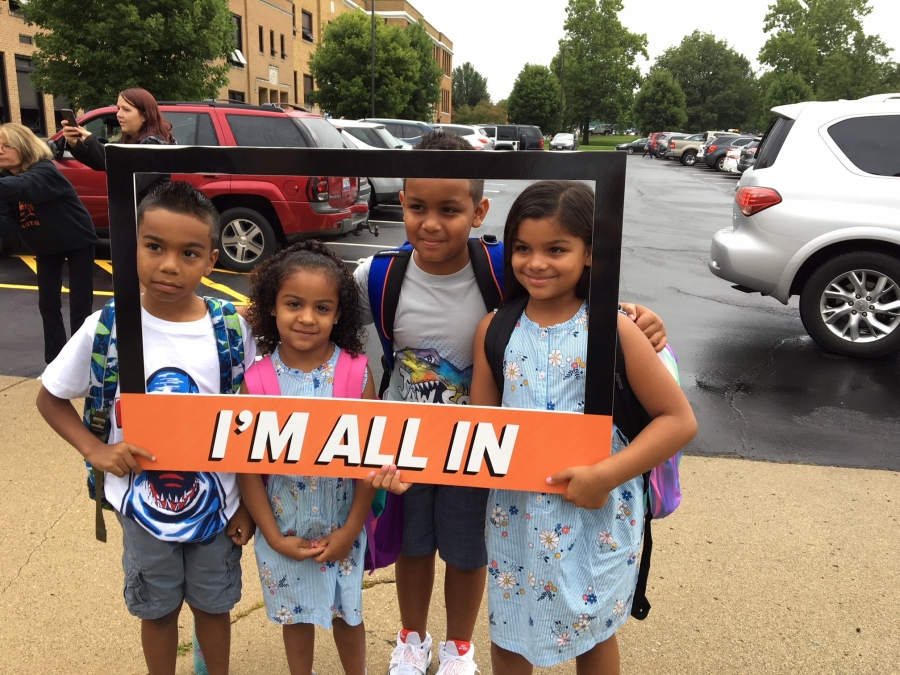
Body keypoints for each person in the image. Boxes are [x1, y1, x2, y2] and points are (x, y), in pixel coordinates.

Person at [356, 130, 669, 675]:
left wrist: (636, 314)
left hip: (494, 461)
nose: (431, 223)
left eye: (449, 209)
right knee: (414, 547)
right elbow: (319, 330)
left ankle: (457, 647)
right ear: (399, 202)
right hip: (412, 445)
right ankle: (411, 638)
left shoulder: (502, 269)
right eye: (417, 206)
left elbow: (570, 282)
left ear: (478, 212)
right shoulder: (378, 277)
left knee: (470, 552)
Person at [469, 181, 697, 673]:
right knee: (509, 628)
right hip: (515, 517)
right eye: (523, 249)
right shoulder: (494, 330)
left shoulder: (613, 328)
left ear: (590, 252)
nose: (536, 262)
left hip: (595, 511)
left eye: (557, 249)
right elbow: (478, 434)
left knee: (592, 633)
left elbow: (678, 421)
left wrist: (606, 476)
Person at [35, 182, 256, 675]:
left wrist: (247, 503)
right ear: (130, 247)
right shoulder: (107, 326)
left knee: (214, 607)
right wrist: (95, 449)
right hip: (139, 508)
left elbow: (251, 420)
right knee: (155, 610)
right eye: (154, 246)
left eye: (189, 252)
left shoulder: (231, 329)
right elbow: (50, 397)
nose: (169, 265)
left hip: (219, 507)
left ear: (212, 261)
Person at [236, 241, 377, 675]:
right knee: (294, 617)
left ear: (339, 314)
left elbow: (370, 460)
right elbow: (247, 469)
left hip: (342, 524)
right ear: (271, 307)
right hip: (283, 526)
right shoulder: (257, 381)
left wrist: (352, 528)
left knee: (348, 613)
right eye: (293, 304)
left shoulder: (355, 371)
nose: (306, 318)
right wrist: (273, 536)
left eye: (322, 307)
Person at [0, 122, 98, 363]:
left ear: (23, 147)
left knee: (80, 305)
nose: (0, 151)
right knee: (48, 304)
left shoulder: (45, 170)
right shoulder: (5, 177)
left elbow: (25, 186)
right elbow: (10, 225)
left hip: (77, 239)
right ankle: (56, 361)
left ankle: (82, 361)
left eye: (6, 146)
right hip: (44, 245)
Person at [59, 87, 174, 200]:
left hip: (151, 217)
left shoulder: (155, 145)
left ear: (144, 116)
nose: (118, 114)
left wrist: (92, 140)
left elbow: (128, 177)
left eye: (126, 109)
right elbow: (100, 161)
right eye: (118, 108)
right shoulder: (129, 141)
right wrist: (75, 144)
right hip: (132, 215)